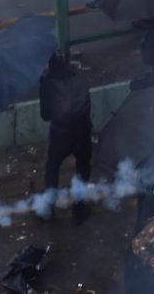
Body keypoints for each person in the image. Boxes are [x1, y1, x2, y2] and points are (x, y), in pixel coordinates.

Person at [39, 52, 92, 225]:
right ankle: (79, 207)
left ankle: (48, 208)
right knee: (82, 167)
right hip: (82, 130)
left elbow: (45, 115)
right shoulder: (79, 76)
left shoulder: (48, 83)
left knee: (52, 166)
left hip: (61, 134)